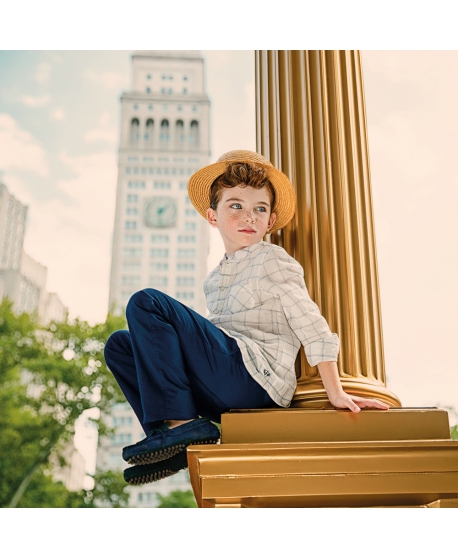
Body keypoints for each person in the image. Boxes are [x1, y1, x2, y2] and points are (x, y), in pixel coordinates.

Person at [104, 150, 389, 486]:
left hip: (255, 378)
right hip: (222, 387)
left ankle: (182, 427)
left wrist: (335, 391)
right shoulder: (214, 279)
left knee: (146, 302)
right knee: (119, 346)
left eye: (260, 209)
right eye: (236, 205)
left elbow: (309, 321)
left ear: (270, 222)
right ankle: (169, 437)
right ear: (213, 216)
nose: (249, 217)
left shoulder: (271, 259)